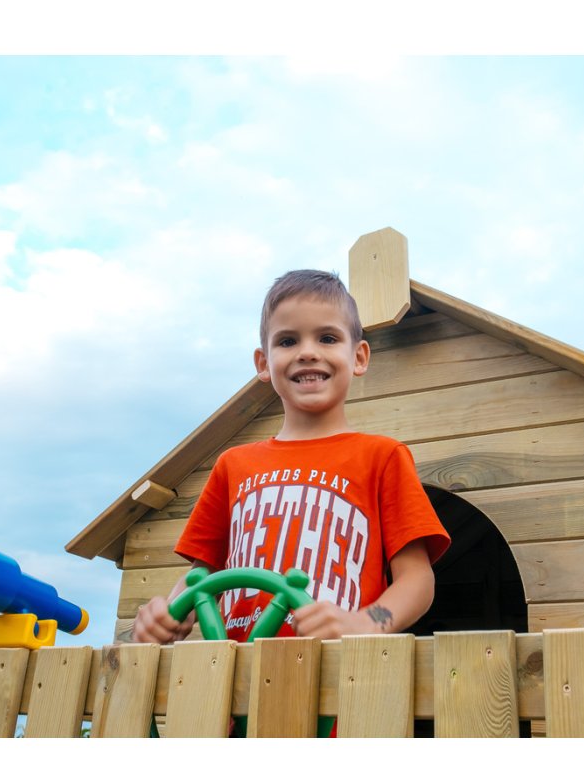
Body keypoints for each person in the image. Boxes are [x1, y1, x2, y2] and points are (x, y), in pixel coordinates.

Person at [131, 269, 450, 645]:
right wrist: (165, 615)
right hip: (236, 669)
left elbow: (417, 580)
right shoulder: (232, 465)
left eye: (328, 338)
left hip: (339, 669)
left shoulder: (383, 457)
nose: (308, 352)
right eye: (287, 341)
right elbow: (201, 577)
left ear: (359, 357)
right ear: (263, 363)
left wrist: (361, 623)